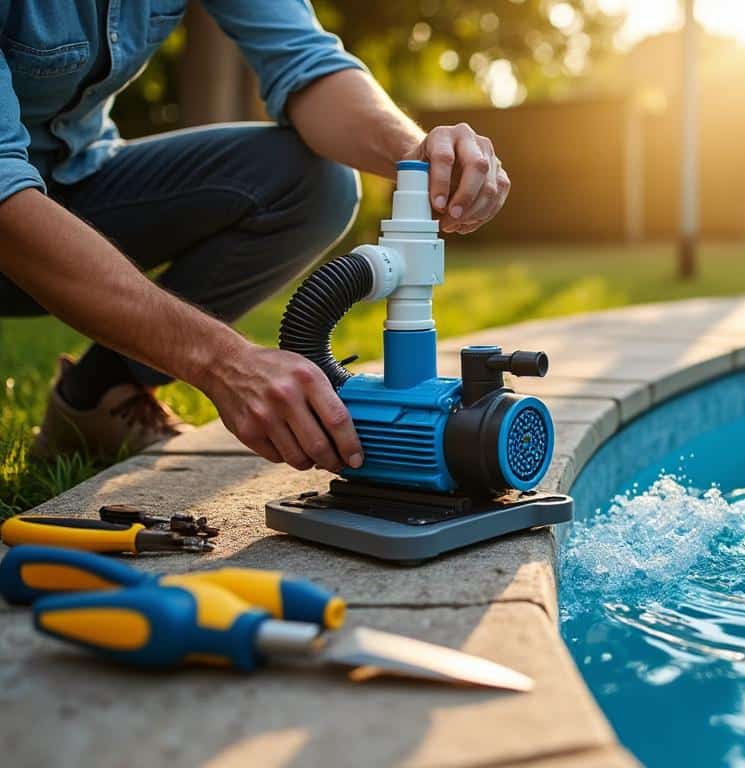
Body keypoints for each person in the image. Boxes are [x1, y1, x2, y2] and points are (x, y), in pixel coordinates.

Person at [0, 2, 510, 474]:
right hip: (11, 215)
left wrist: (420, 157)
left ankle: (96, 394)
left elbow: (307, 62)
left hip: (79, 174)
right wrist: (223, 361)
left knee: (318, 185)